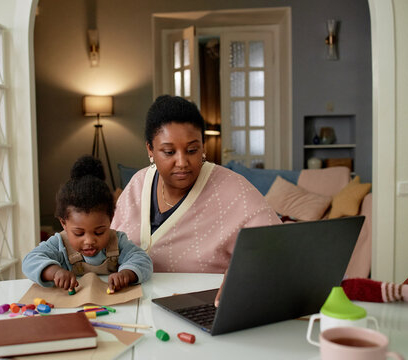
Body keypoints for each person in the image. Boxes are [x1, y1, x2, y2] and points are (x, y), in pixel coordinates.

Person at [112, 95, 281, 274]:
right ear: (150, 149)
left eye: (192, 150)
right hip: (129, 300)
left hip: (205, 301)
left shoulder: (235, 191)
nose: (182, 162)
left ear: (203, 146)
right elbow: (106, 246)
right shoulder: (138, 184)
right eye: (169, 152)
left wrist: (242, 278)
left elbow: (280, 251)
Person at [22, 155, 153, 292]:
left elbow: (144, 261)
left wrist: (127, 273)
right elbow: (29, 261)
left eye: (99, 232)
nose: (89, 241)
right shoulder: (59, 243)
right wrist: (54, 272)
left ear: (111, 219)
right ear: (63, 223)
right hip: (72, 308)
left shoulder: (118, 241)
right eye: (79, 233)